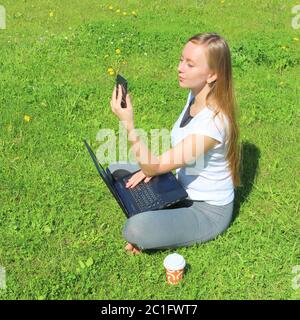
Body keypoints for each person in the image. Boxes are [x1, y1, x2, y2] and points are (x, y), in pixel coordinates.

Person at [109, 32, 241, 255]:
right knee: (116, 170)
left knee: (135, 228)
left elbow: (154, 167)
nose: (180, 68)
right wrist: (152, 168)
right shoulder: (195, 94)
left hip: (206, 211)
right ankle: (156, 214)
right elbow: (181, 150)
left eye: (190, 64)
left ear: (211, 75)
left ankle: (152, 223)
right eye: (182, 60)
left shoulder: (213, 124)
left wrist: (128, 124)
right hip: (181, 185)